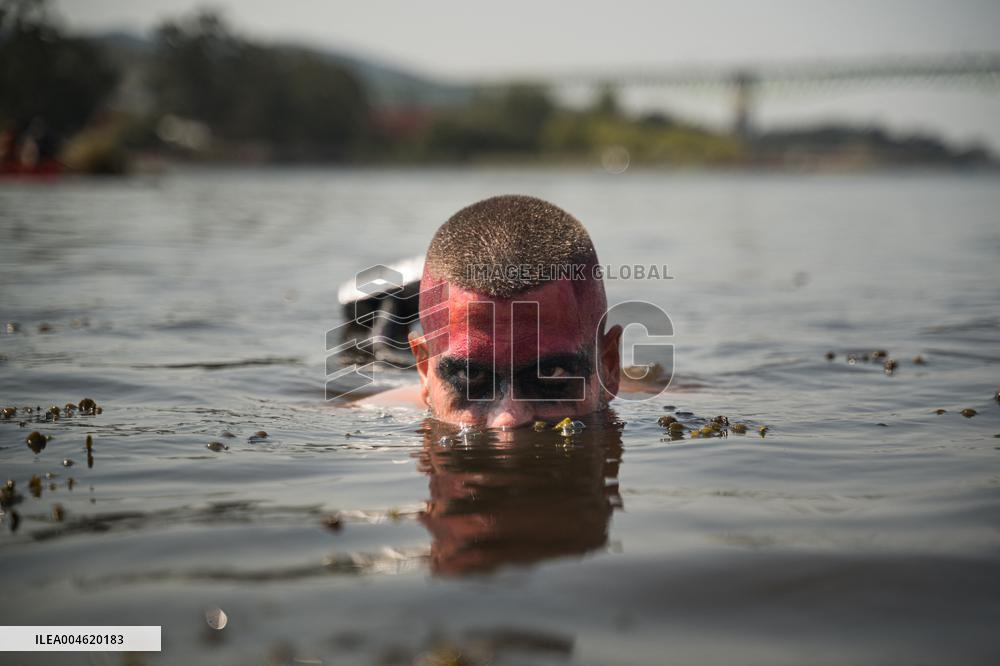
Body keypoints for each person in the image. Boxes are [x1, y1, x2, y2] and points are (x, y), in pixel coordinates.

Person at [357, 194, 624, 428]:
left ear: (609, 367)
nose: (507, 421)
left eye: (550, 373)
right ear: (425, 371)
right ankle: (395, 304)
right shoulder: (366, 413)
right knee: (379, 348)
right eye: (470, 374)